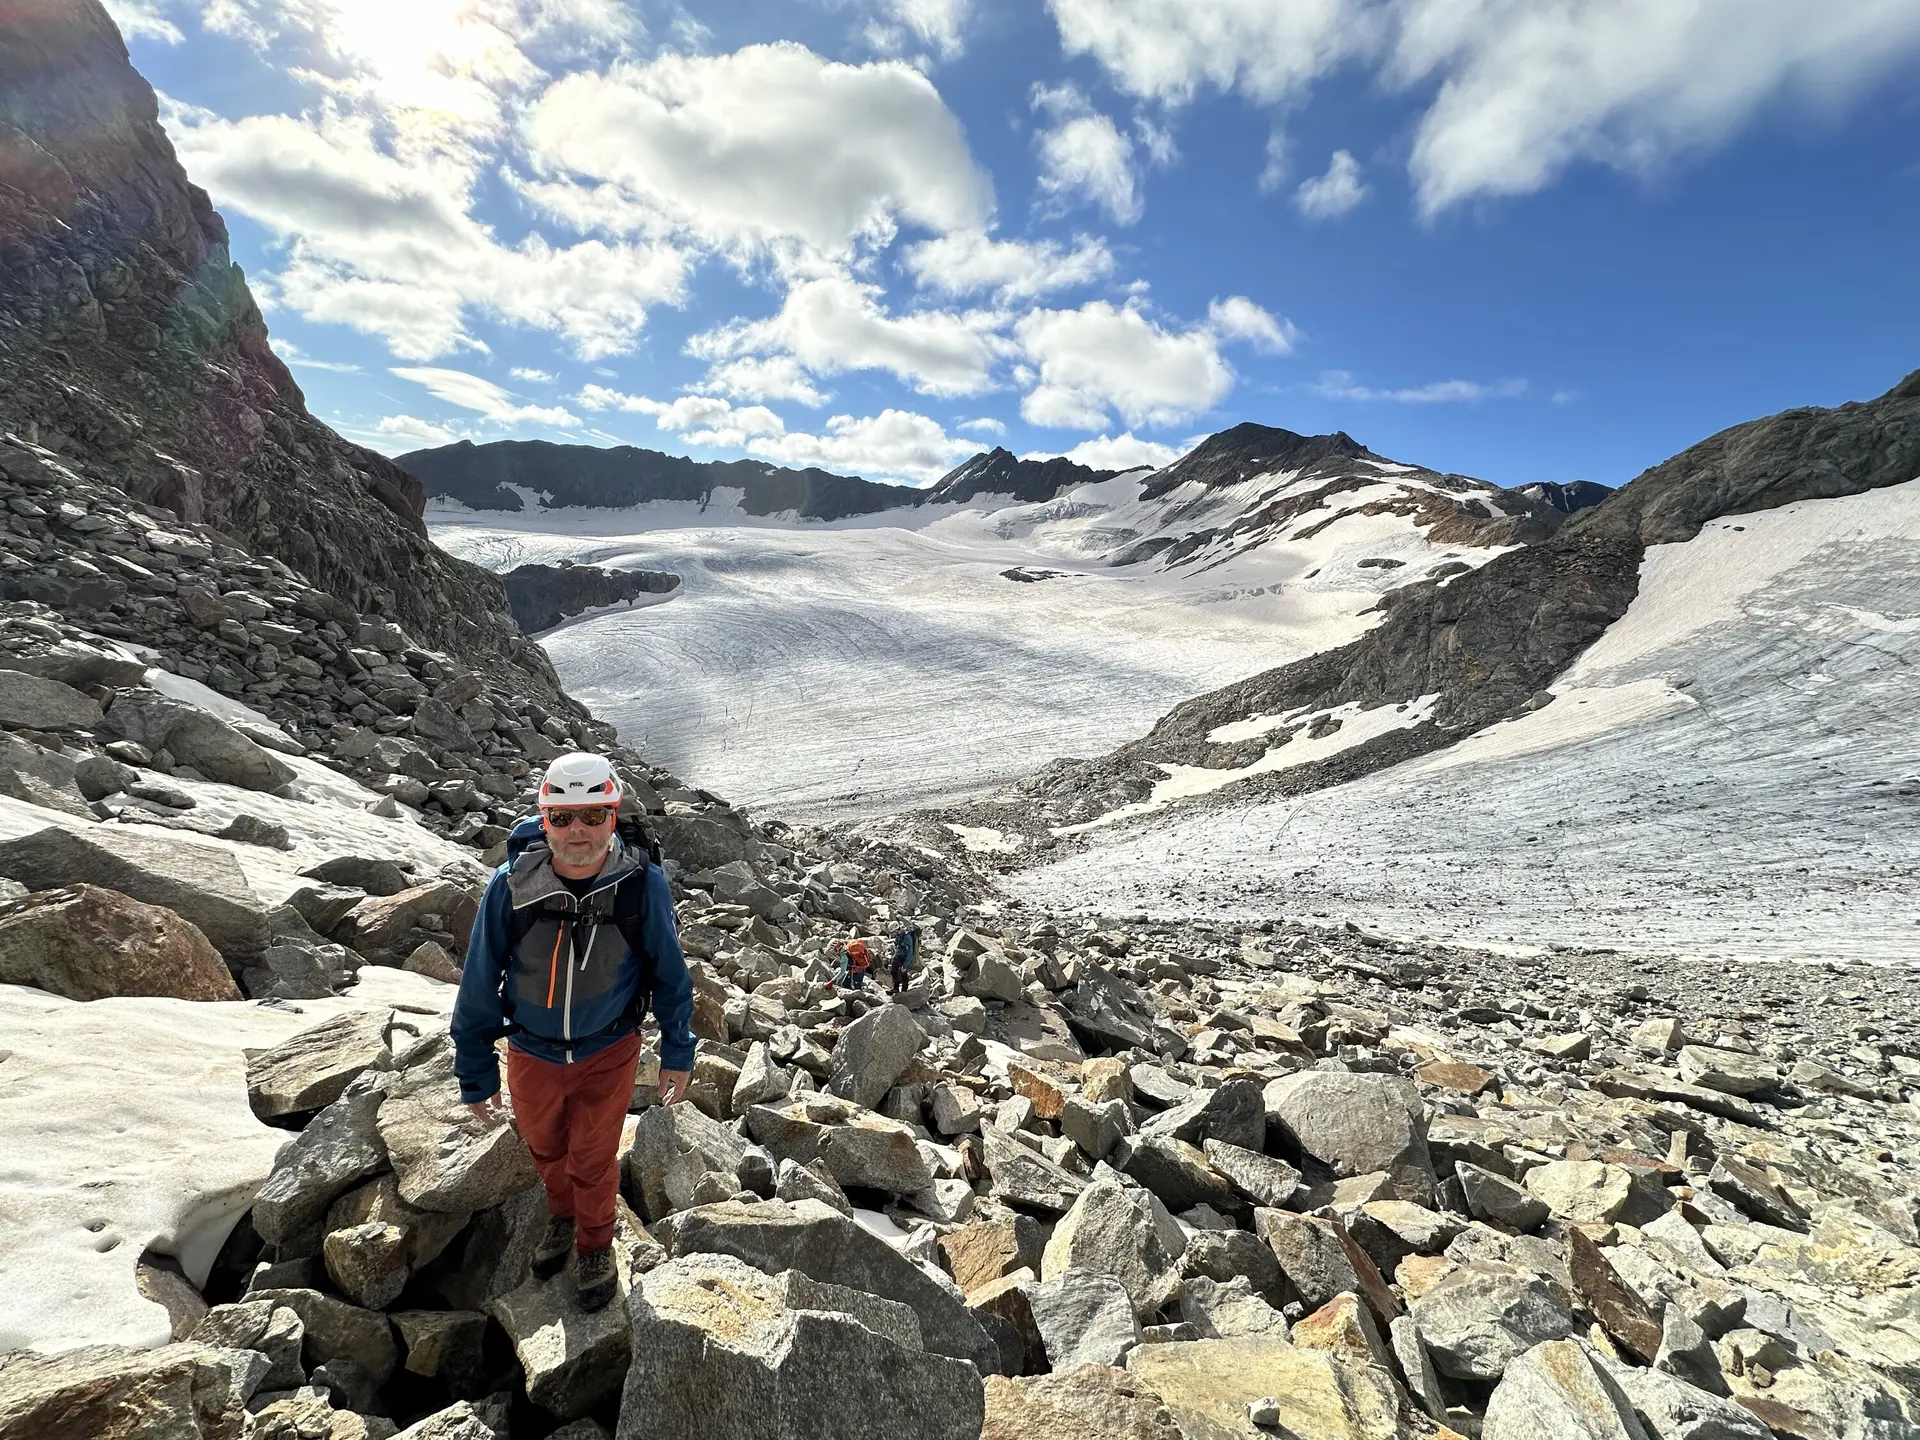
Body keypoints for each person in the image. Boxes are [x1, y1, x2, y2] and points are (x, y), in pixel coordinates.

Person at [451, 752, 695, 1313]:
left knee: (592, 1155)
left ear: (613, 815)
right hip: (531, 1051)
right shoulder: (510, 886)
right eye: (562, 818)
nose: (577, 830)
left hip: (608, 1049)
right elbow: (480, 980)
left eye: (592, 815)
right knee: (544, 1148)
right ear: (544, 819)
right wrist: (476, 1069)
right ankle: (562, 1215)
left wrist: (678, 1049)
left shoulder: (641, 886)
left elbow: (669, 973)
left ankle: (594, 1244)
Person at [890, 923, 918, 995]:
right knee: (893, 971)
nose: (892, 934)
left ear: (896, 930)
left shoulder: (907, 937)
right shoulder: (898, 936)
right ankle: (895, 988)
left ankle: (904, 991)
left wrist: (905, 965)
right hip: (897, 956)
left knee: (903, 973)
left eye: (893, 932)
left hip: (904, 958)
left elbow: (910, 952)